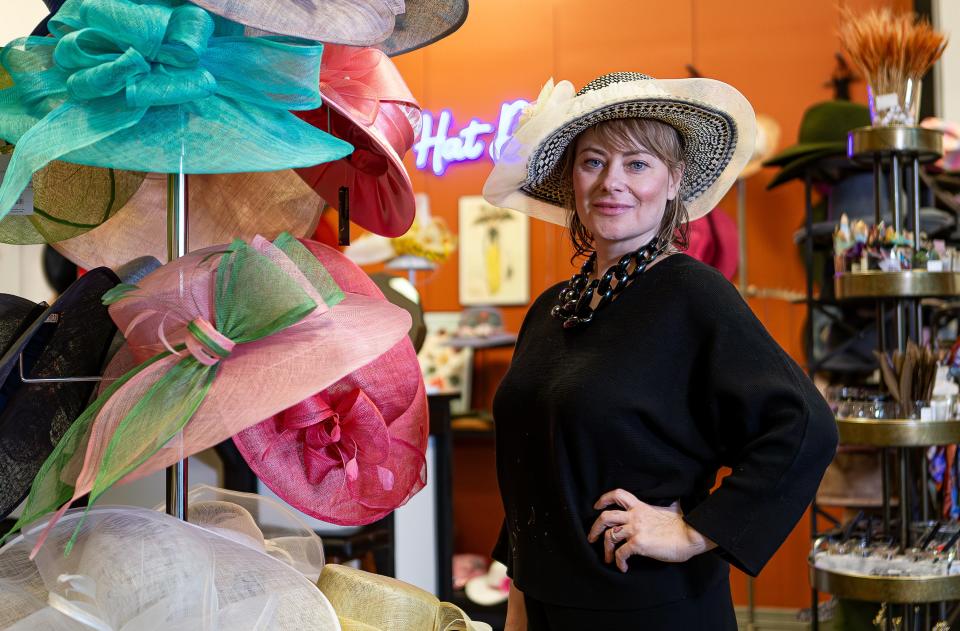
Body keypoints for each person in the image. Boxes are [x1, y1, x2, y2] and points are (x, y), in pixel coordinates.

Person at [481, 72, 838, 630]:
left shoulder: (693, 294)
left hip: (648, 608)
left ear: (673, 182)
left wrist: (696, 531)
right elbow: (534, 469)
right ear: (572, 180)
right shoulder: (552, 308)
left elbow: (804, 426)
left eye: (637, 164)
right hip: (548, 606)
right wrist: (520, 602)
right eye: (593, 162)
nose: (611, 182)